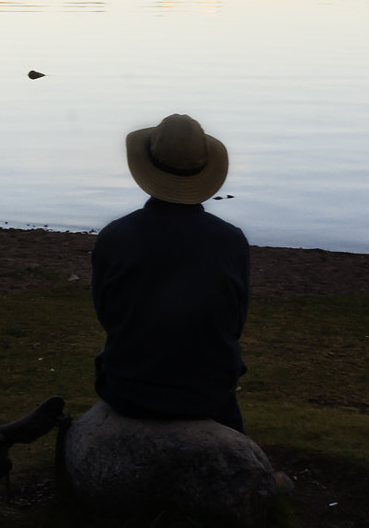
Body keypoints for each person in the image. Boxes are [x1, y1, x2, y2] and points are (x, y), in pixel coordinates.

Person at [91, 113, 250, 433]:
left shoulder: (115, 237)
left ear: (147, 164)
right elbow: (234, 324)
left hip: (129, 391)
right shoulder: (231, 241)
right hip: (209, 395)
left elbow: (108, 316)